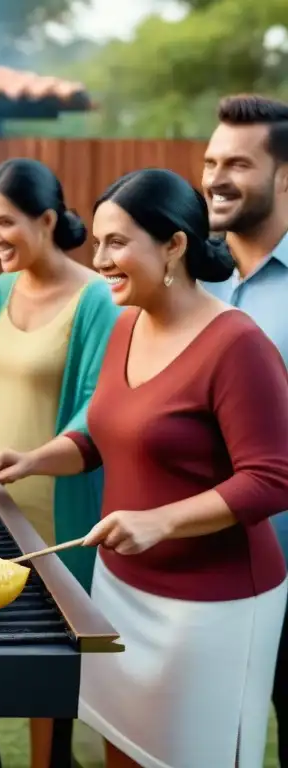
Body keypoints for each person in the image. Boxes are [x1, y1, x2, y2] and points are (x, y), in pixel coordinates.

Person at [0, 168, 288, 768]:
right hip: (119, 590)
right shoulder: (125, 325)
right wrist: (37, 458)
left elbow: (272, 477)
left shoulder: (237, 344)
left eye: (117, 242)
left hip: (212, 607)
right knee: (122, 749)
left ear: (174, 244)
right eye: (97, 242)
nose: (100, 259)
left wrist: (161, 522)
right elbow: (102, 436)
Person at [0, 158, 119, 768]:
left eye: (4, 223)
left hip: (60, 512)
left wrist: (34, 459)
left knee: (54, 675)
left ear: (48, 219)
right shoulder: (2, 289)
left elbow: (96, 413)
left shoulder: (96, 299)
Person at [199, 94, 288, 767]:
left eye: (238, 163)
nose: (216, 178)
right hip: (211, 574)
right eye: (210, 161)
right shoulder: (198, 283)